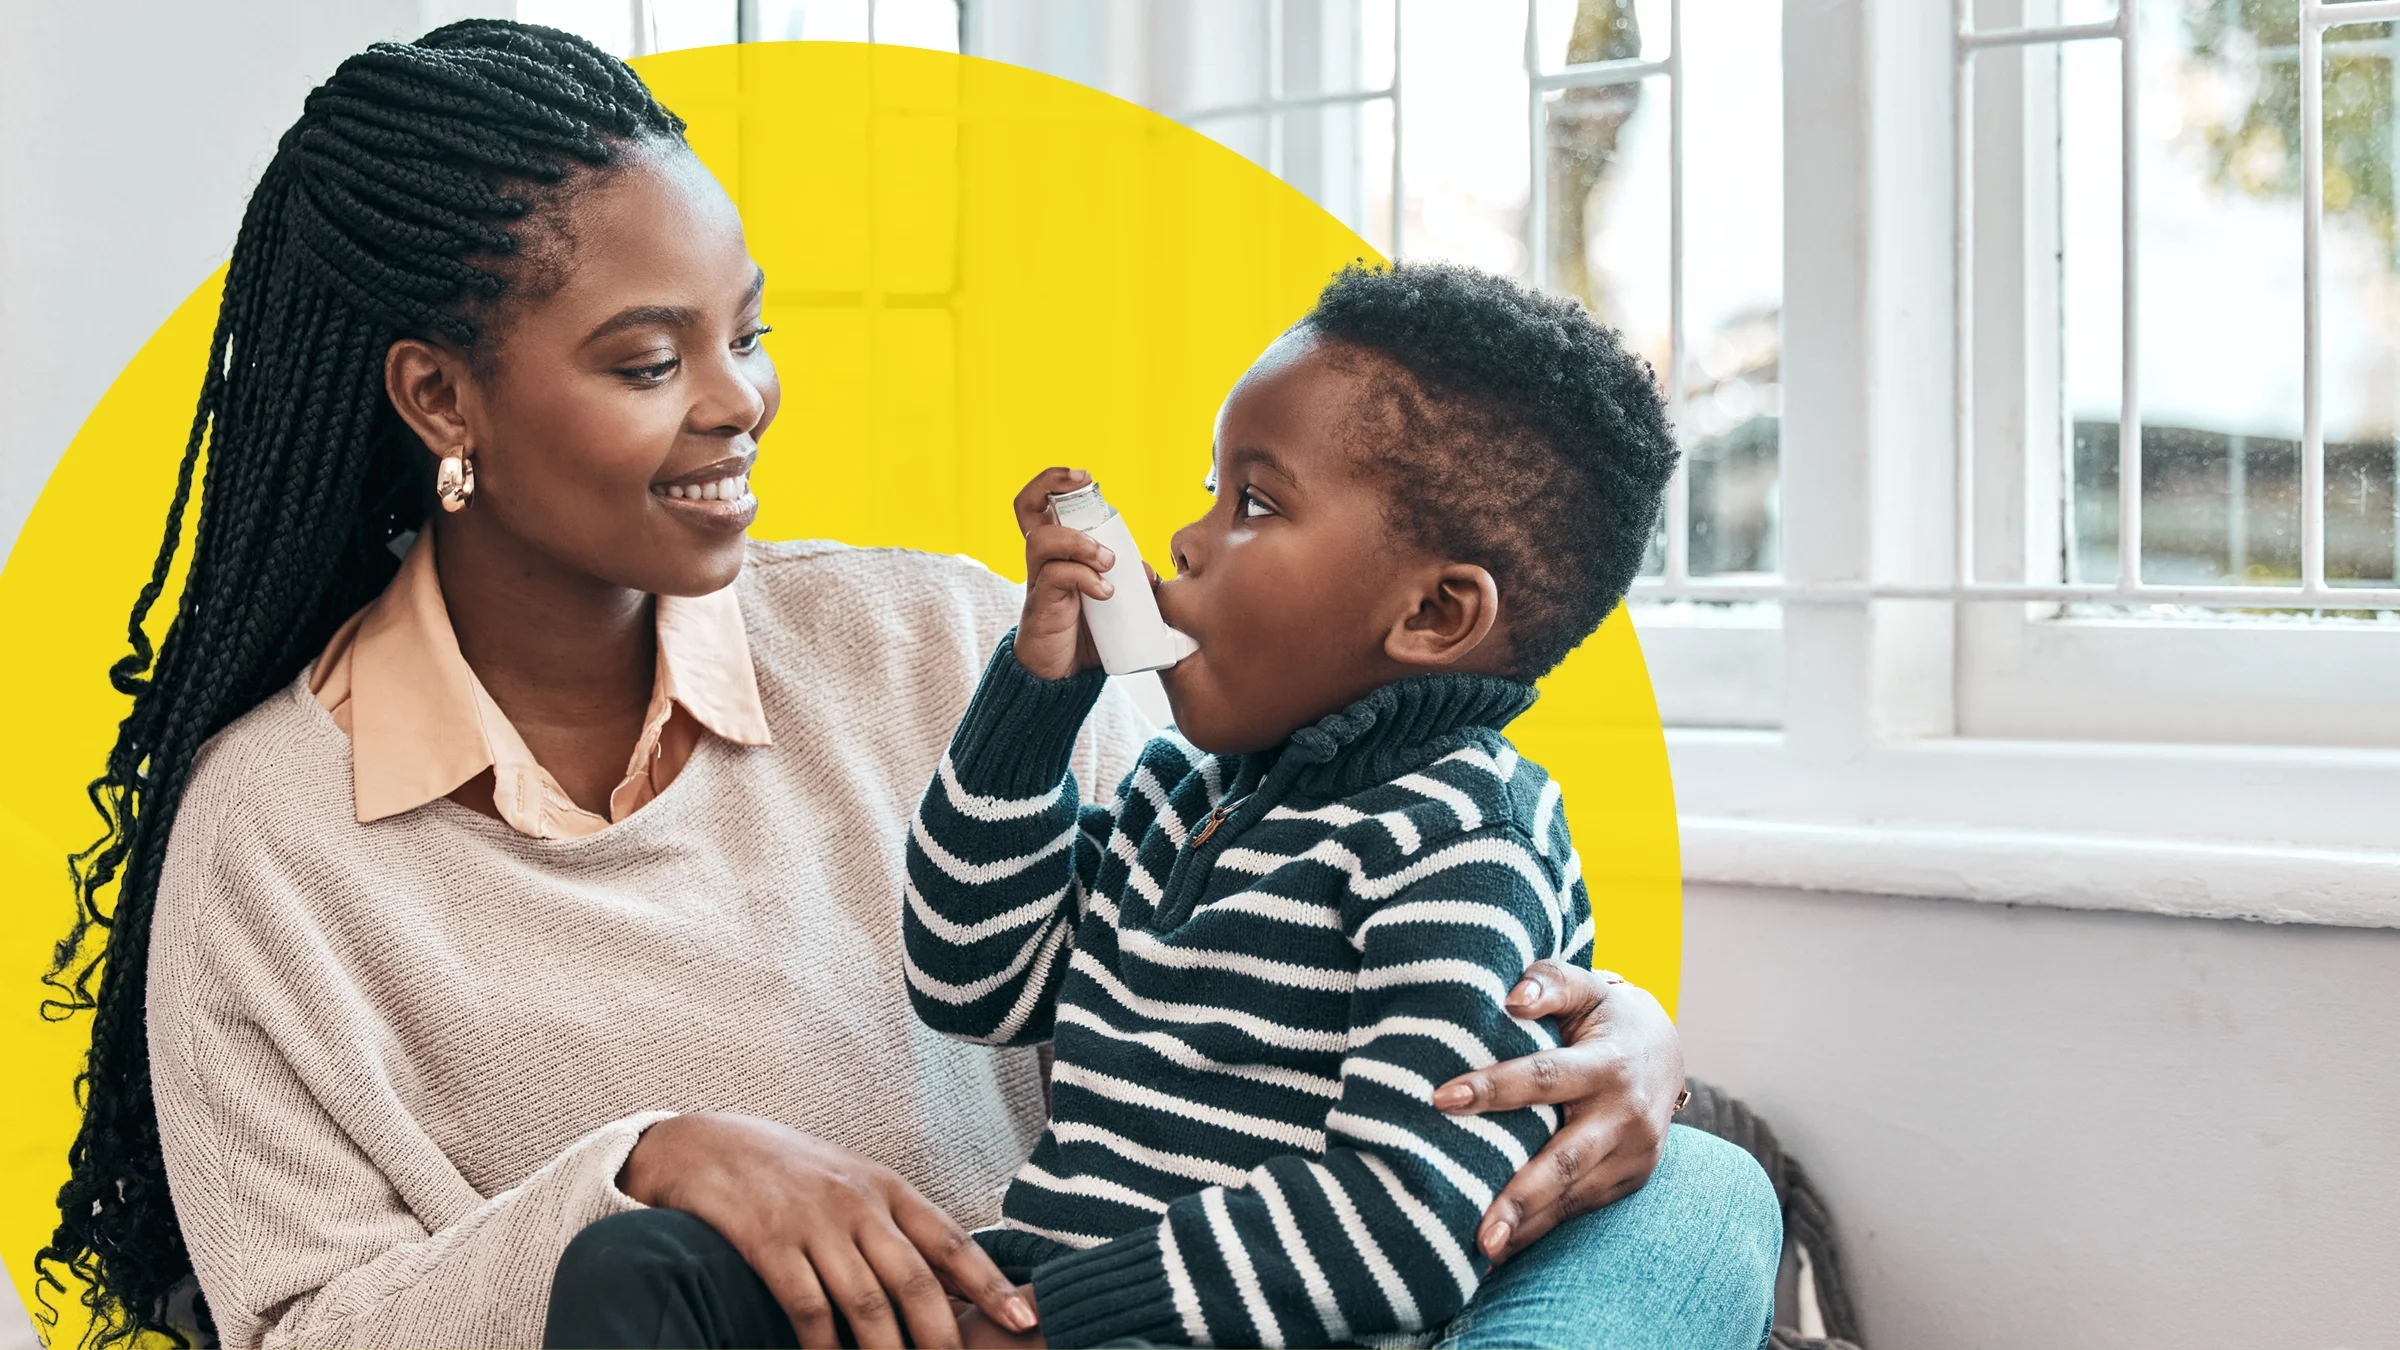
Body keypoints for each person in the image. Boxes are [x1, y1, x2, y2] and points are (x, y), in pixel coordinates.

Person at [35, 21, 1773, 1350]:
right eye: (649, 360)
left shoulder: (942, 635)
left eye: (748, 332)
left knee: (1700, 1191)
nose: (740, 401)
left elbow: (1308, 924)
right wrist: (638, 1164)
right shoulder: (275, 837)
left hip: (1130, 1307)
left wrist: (1614, 1050)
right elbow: (301, 1326)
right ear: (440, 400)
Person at [876, 258, 1726, 1349]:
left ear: (1433, 615)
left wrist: (1057, 1318)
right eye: (1210, 490)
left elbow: (1408, 1220)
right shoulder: (1182, 797)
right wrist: (1036, 704)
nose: (1186, 540)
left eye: (1256, 504)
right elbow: (973, 978)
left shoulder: (1460, 843)